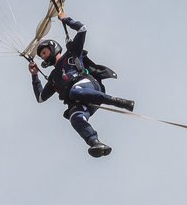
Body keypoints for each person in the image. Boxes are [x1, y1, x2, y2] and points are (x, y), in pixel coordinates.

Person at [29, 13, 134, 158]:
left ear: (53, 48)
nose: (43, 56)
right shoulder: (53, 77)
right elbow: (40, 97)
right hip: (82, 100)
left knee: (74, 91)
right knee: (75, 117)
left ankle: (118, 101)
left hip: (88, 86)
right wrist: (34, 75)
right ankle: (95, 143)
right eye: (41, 56)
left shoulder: (71, 54)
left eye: (44, 52)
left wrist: (65, 19)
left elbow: (82, 29)